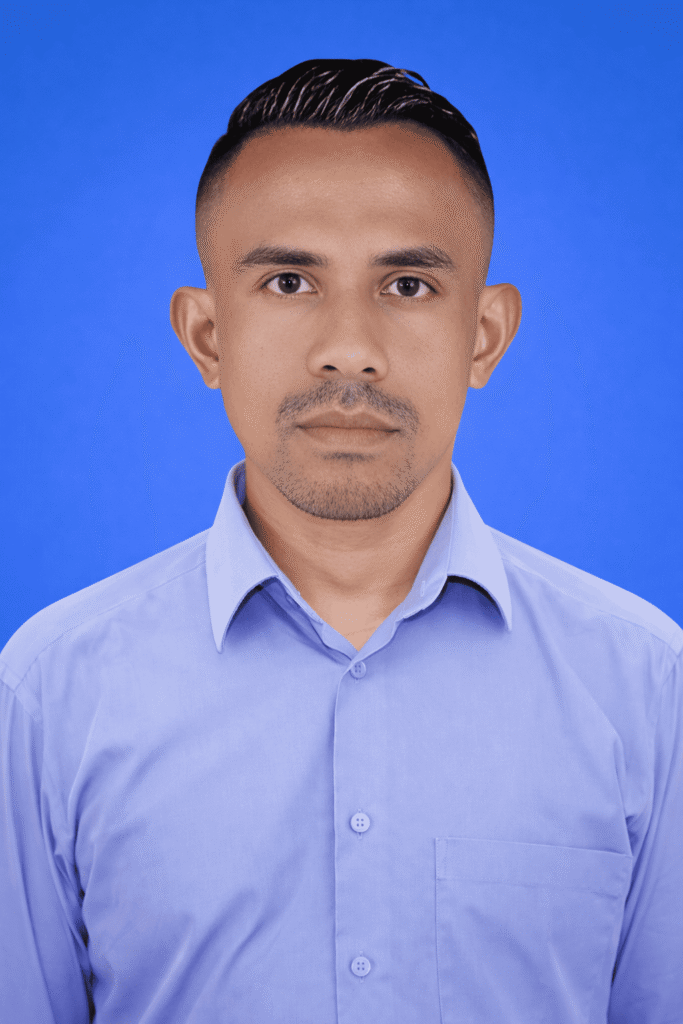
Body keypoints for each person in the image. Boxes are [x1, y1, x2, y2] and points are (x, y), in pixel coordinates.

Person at [1, 58, 681, 1024]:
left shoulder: (647, 689)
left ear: (484, 335)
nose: (349, 349)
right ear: (206, 337)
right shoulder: (48, 694)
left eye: (407, 283)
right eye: (288, 281)